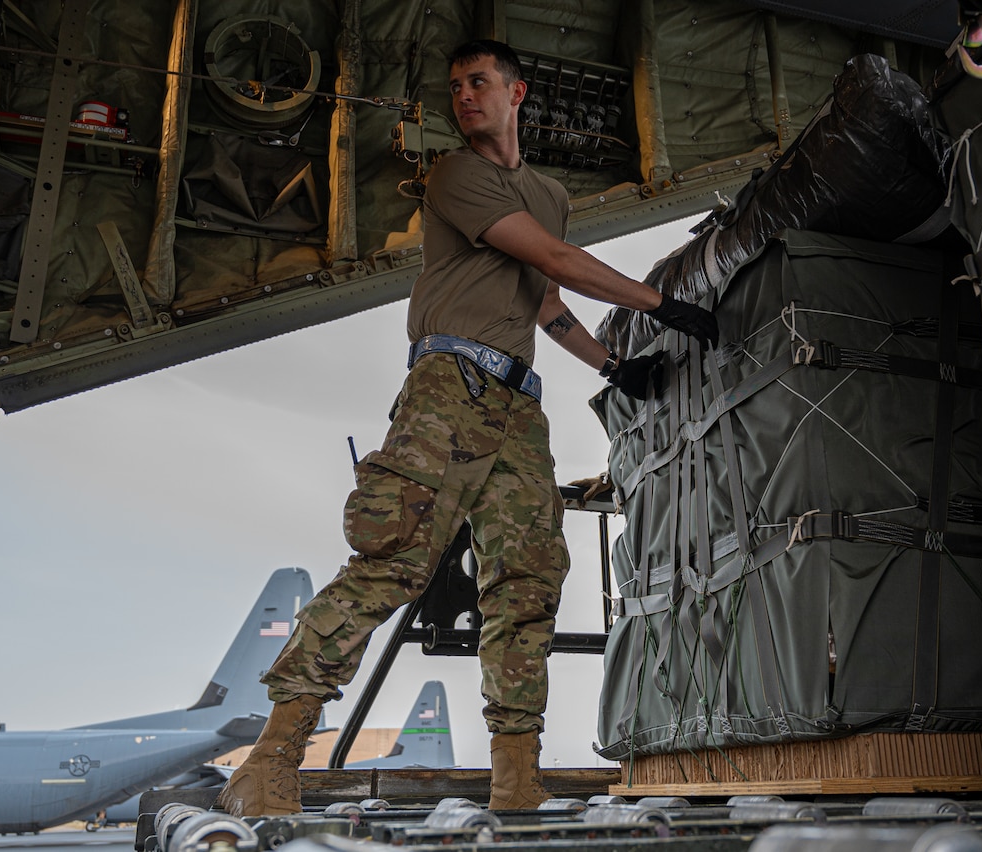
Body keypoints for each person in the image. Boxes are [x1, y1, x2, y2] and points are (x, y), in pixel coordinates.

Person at [218, 39, 717, 817]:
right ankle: (271, 759)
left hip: (520, 406)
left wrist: (612, 367)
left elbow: (543, 296)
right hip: (449, 386)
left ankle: (516, 778)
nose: (464, 97)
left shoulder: (546, 192)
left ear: (518, 93)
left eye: (479, 83)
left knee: (526, 584)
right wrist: (663, 307)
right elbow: (553, 255)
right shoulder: (457, 174)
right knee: (391, 565)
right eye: (455, 87)